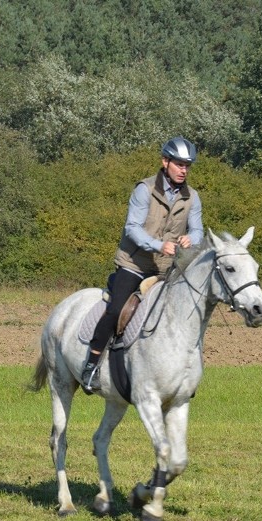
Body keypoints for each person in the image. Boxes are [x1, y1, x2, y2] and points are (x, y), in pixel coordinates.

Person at [81, 136, 204, 394]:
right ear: (165, 162)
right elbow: (132, 228)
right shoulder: (144, 190)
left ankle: (183, 373)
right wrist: (159, 245)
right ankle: (91, 365)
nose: (184, 170)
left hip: (166, 269)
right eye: (179, 164)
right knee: (115, 311)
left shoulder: (192, 197)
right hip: (133, 264)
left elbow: (198, 231)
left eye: (187, 166)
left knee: (186, 313)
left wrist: (190, 238)